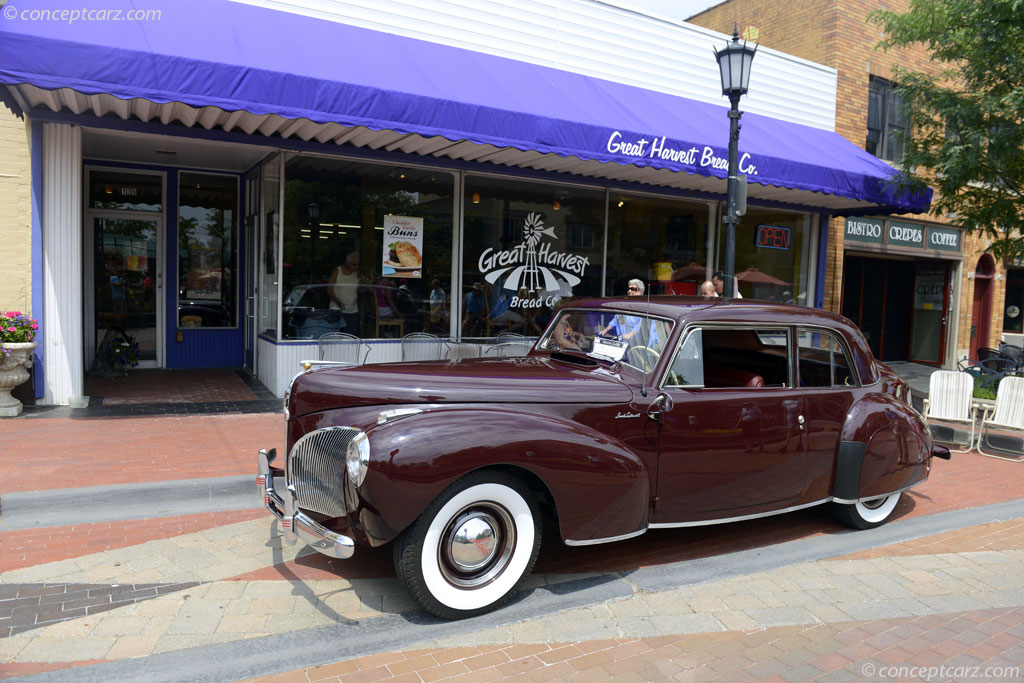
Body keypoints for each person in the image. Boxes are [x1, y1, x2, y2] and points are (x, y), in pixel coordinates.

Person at [329, 251, 361, 335]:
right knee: (334, 336)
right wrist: (338, 302)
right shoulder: (337, 271)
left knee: (351, 337)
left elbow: (360, 290)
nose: (357, 267)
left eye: (358, 265)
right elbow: (329, 289)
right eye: (354, 265)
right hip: (336, 310)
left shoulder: (357, 273)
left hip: (352, 311)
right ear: (347, 263)